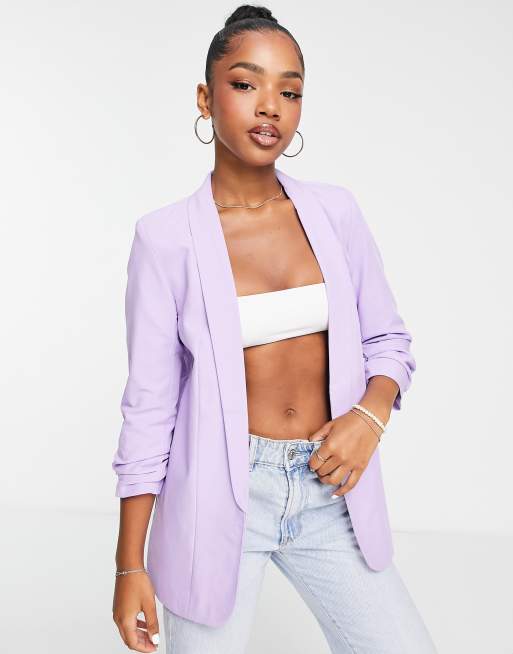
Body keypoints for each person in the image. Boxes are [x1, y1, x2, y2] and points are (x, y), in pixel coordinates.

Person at [111, 4, 438, 653]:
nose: (270, 107)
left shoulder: (335, 213)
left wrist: (367, 418)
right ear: (205, 98)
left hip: (331, 491)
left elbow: (388, 342)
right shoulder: (165, 239)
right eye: (245, 83)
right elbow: (148, 408)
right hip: (217, 503)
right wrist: (129, 566)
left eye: (289, 92)